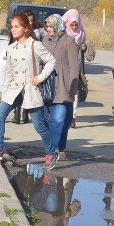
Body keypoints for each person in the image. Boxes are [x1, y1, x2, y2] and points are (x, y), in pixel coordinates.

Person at [0, 14, 55, 166]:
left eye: (16, 26)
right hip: (14, 90)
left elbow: (51, 60)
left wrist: (39, 78)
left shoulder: (35, 45)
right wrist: (5, 91)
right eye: (12, 26)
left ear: (26, 29)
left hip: (31, 90)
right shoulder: (10, 48)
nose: (12, 29)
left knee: (38, 125)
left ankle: (52, 152)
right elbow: (9, 72)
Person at [42, 14, 79, 164]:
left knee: (61, 119)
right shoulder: (44, 40)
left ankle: (56, 149)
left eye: (51, 26)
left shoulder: (69, 41)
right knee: (48, 119)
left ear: (58, 25)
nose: (48, 29)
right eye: (47, 26)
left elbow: (74, 66)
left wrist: (73, 87)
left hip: (64, 84)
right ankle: (54, 148)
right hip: (47, 83)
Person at [62, 9, 87, 126]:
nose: (74, 27)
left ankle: (73, 117)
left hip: (75, 67)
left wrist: (84, 47)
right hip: (63, 66)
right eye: (71, 24)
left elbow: (84, 50)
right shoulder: (62, 33)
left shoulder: (82, 34)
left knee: (75, 92)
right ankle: (62, 114)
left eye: (76, 24)